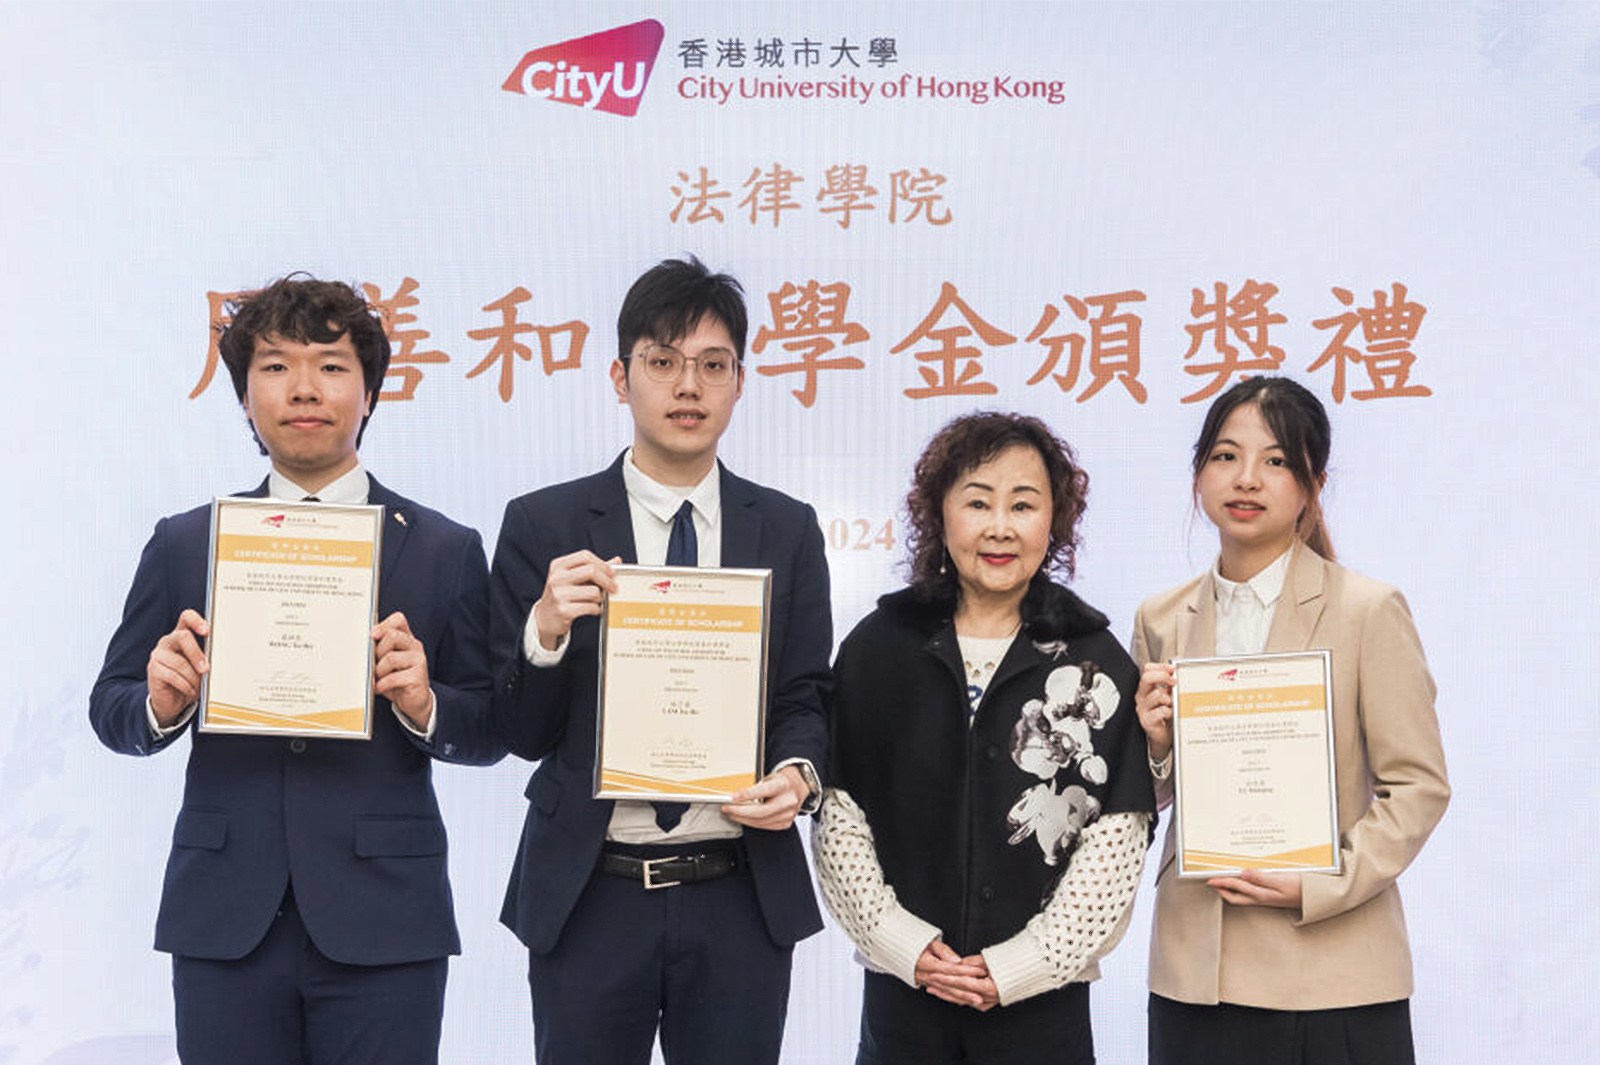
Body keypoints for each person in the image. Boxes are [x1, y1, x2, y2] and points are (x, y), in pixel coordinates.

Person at [89, 277, 503, 1065]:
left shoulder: (445, 548)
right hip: (224, 919)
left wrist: (423, 702)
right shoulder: (187, 542)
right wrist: (159, 701)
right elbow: (110, 707)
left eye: (332, 365)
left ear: (370, 390)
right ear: (245, 395)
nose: (305, 388)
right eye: (276, 366)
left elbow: (490, 726)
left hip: (387, 921)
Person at [488, 256, 831, 1064]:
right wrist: (543, 631)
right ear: (620, 375)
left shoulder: (787, 529)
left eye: (713, 366)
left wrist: (798, 774)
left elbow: (805, 692)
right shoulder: (545, 524)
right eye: (663, 362)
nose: (689, 387)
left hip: (739, 892)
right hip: (591, 891)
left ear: (740, 382)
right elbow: (519, 732)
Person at [814, 412, 1153, 1065]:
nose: (1000, 526)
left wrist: (1022, 965)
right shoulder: (878, 648)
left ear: (1053, 521)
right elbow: (839, 818)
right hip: (905, 998)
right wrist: (905, 947)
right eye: (978, 501)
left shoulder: (1092, 660)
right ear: (940, 514)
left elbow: (1118, 837)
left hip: (1042, 1008)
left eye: (1023, 504)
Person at [1131, 375, 1450, 1065]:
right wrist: (1155, 746)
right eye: (1224, 455)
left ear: (1312, 483)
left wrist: (1323, 880)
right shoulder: (1161, 617)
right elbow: (1150, 796)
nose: (1247, 478)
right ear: (1197, 475)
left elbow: (1419, 787)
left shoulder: (1369, 609)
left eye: (1275, 460)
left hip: (1334, 972)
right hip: (1197, 971)